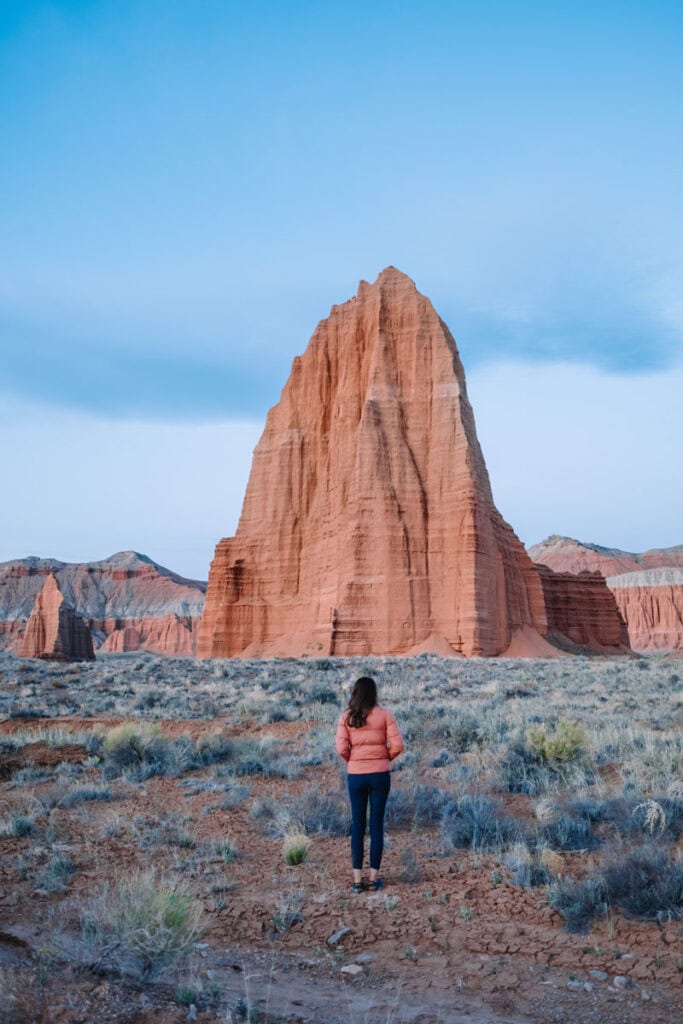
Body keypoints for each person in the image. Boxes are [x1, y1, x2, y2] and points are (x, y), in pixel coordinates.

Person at [335, 676, 404, 893]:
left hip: (356, 776)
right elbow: (398, 745)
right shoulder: (384, 714)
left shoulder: (347, 716)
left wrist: (354, 762)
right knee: (376, 826)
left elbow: (341, 749)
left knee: (357, 825)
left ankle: (357, 881)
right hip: (379, 776)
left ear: (355, 693)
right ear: (373, 693)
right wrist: (384, 759)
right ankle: (373, 880)